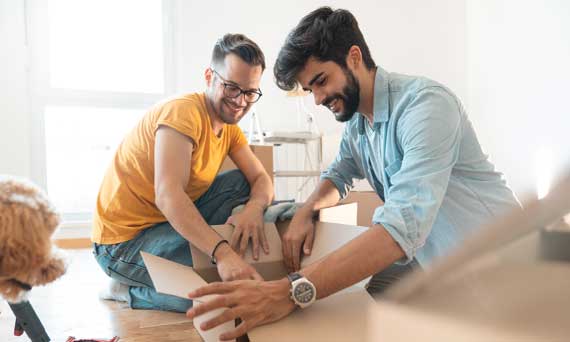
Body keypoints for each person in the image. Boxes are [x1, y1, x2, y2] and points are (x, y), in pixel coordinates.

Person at [185, 7, 521, 340]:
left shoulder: (426, 107)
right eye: (309, 89)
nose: (317, 99)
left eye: (320, 81)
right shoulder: (359, 122)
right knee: (349, 294)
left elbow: (400, 228)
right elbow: (340, 172)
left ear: (354, 57)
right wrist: (307, 209)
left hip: (506, 274)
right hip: (439, 267)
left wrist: (288, 293)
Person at [91, 33, 274, 313]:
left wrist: (255, 208)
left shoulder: (229, 129)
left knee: (241, 182)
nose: (240, 101)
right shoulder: (182, 114)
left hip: (163, 224)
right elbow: (169, 196)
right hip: (121, 244)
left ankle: (205, 252)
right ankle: (126, 289)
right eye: (232, 87)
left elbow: (261, 179)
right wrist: (223, 253)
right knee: (213, 299)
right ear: (209, 76)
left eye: (250, 92)